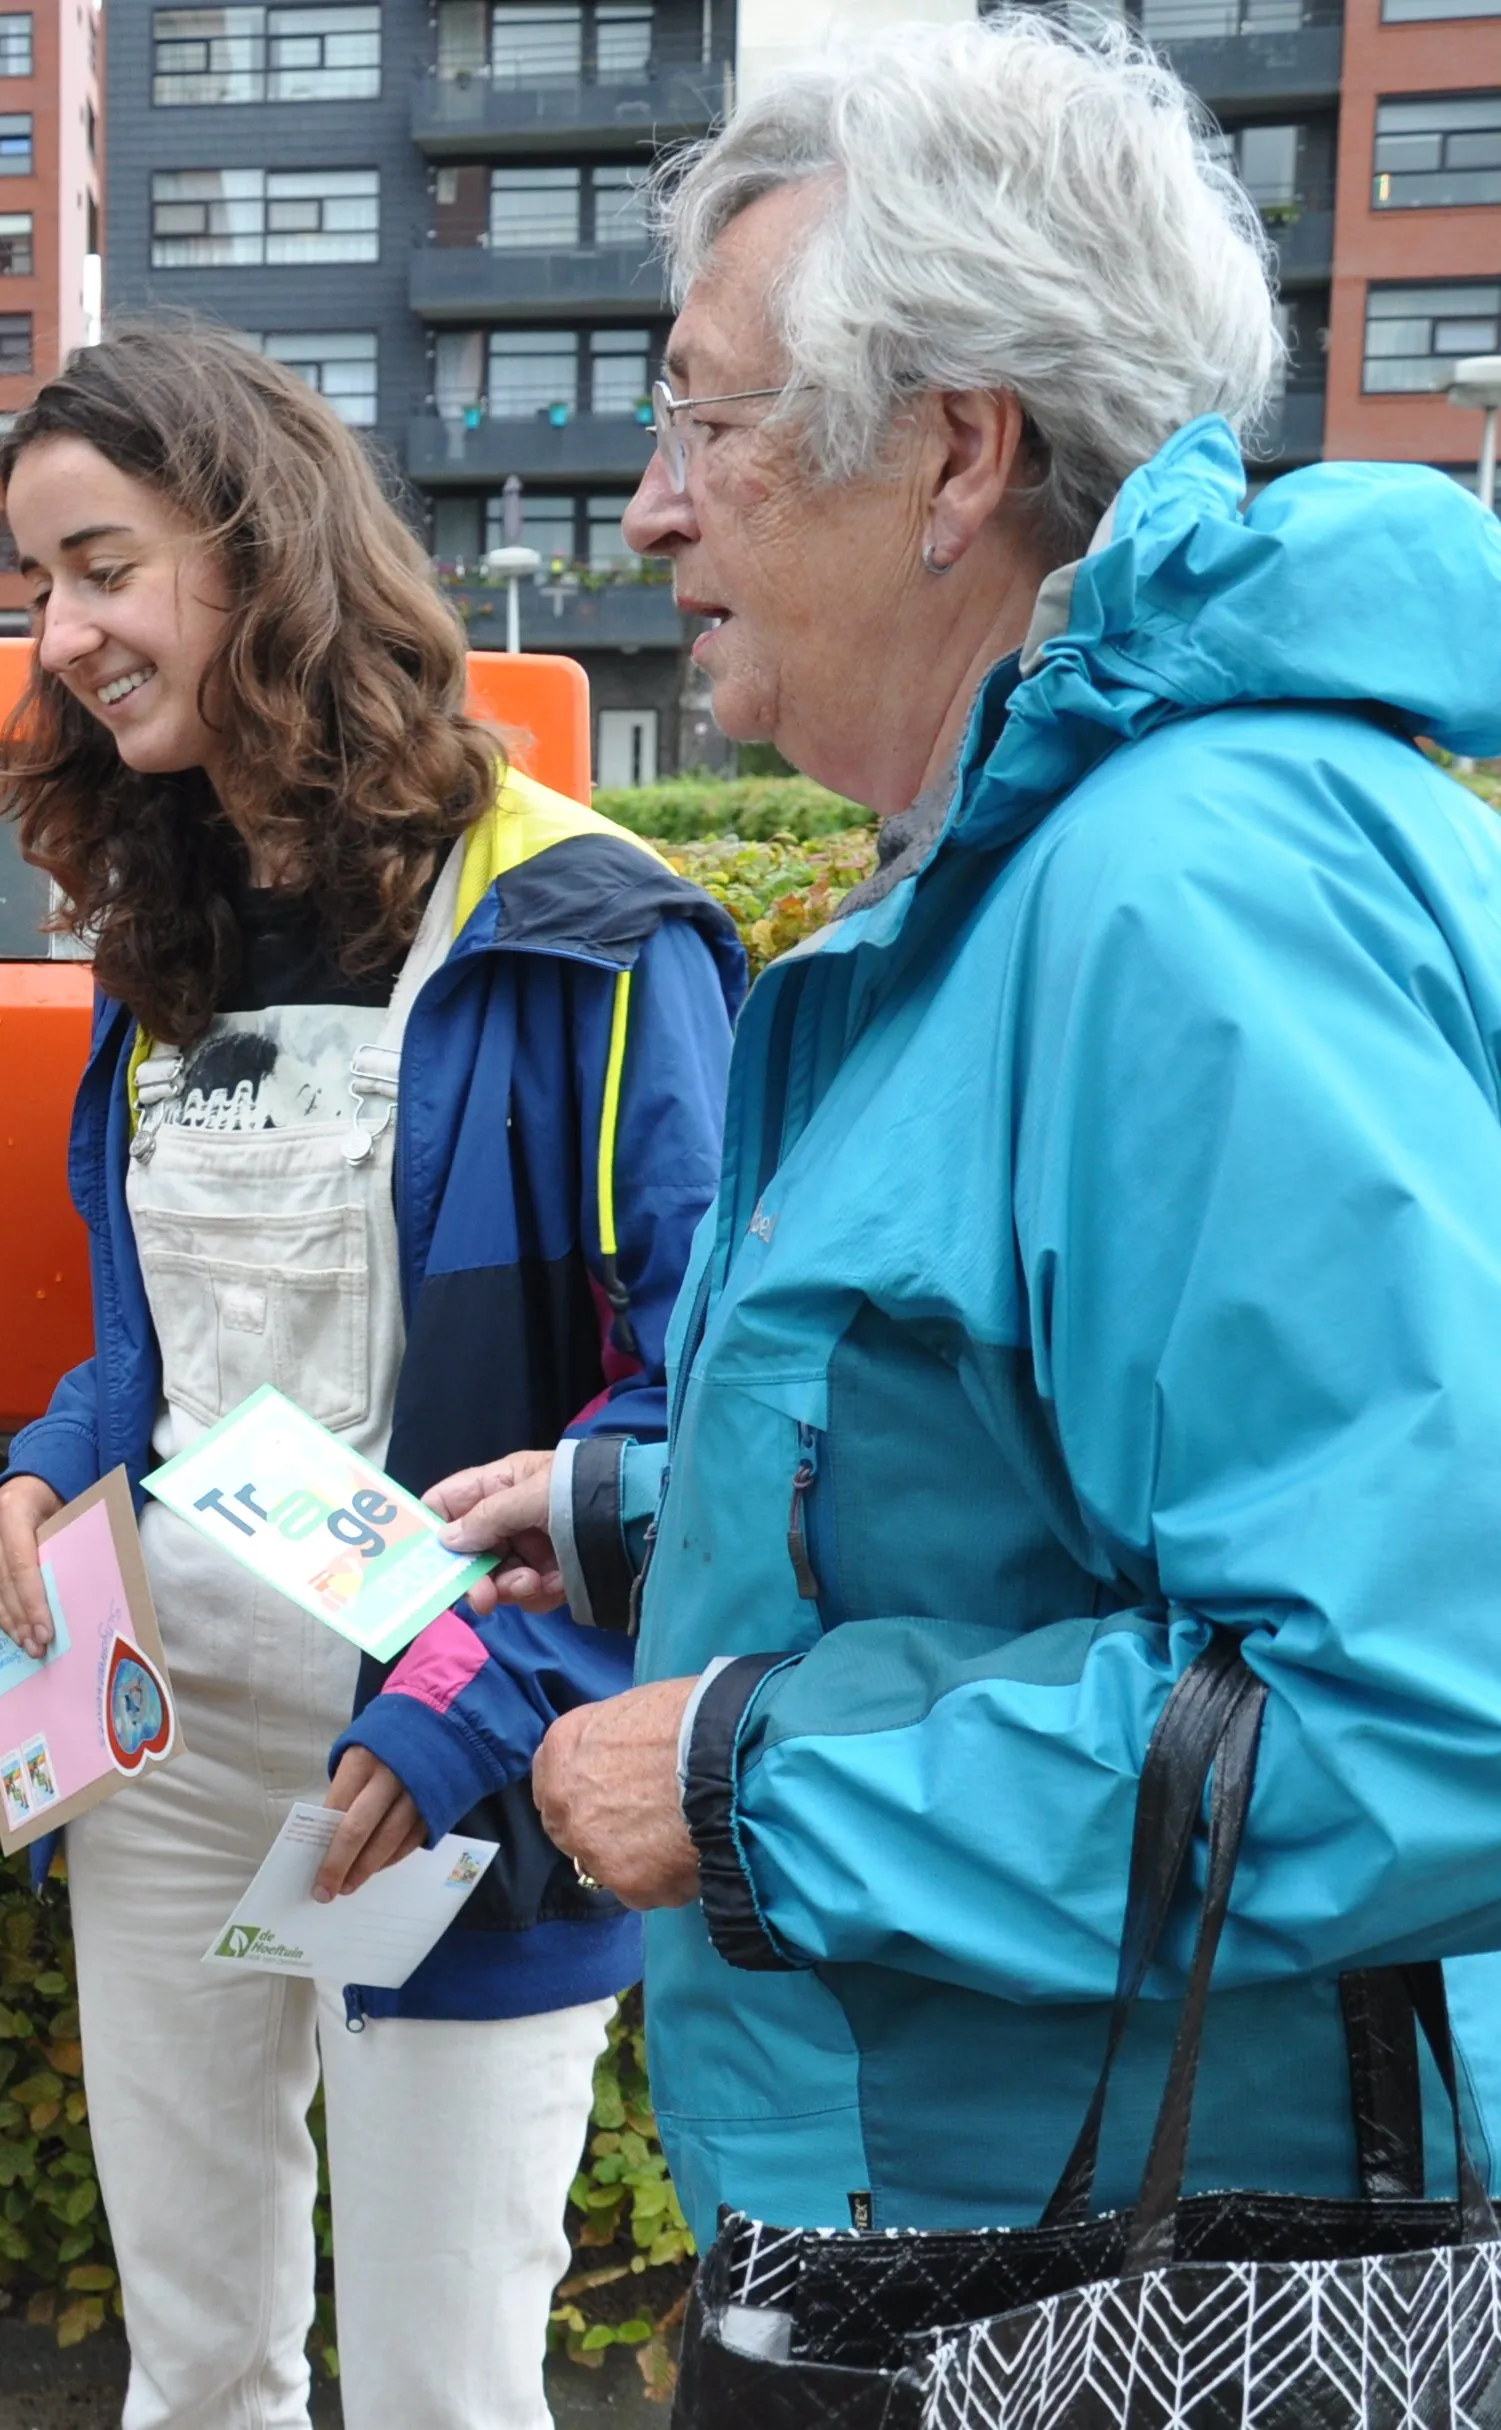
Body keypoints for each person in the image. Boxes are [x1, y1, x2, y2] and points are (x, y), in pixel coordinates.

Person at [420, 12, 1501, 2235]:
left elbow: (1426, 1705)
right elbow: (1039, 1454)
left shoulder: (1179, 897)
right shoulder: (1032, 863)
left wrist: (750, 1780)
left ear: (952, 458)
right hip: (1003, 2228)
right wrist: (648, 1513)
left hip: (1138, 2292)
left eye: (709, 418)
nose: (650, 504)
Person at [0, 325, 743, 2430]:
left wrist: (476, 1708)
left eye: (102, 567)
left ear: (255, 539)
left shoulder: (589, 931)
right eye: (39, 585)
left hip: (434, 1750)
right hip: (163, 1735)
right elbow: (162, 1343)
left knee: (432, 2384)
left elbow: (704, 1404)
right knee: (196, 2362)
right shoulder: (170, 920)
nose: (66, 636)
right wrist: (47, 1472)